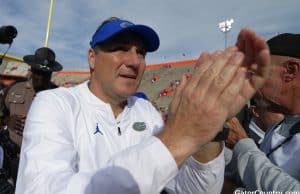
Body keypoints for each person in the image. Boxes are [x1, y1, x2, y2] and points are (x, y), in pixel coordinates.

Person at [16, 17, 271, 194]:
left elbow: (192, 189)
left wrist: (212, 133)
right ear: (92, 58)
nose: (134, 61)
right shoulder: (54, 103)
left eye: (141, 53)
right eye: (120, 49)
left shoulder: (145, 111)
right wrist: (176, 140)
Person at [225, 33, 300, 192]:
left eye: (255, 72)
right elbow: (250, 179)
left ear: (290, 71)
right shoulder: (276, 128)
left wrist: (241, 144)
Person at [1, 47, 62, 185]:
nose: (40, 77)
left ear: (51, 73)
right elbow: (1, 114)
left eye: (45, 73)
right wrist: (7, 121)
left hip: (43, 164)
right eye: (37, 72)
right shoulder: (13, 89)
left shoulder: (60, 97)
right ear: (31, 69)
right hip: (11, 159)